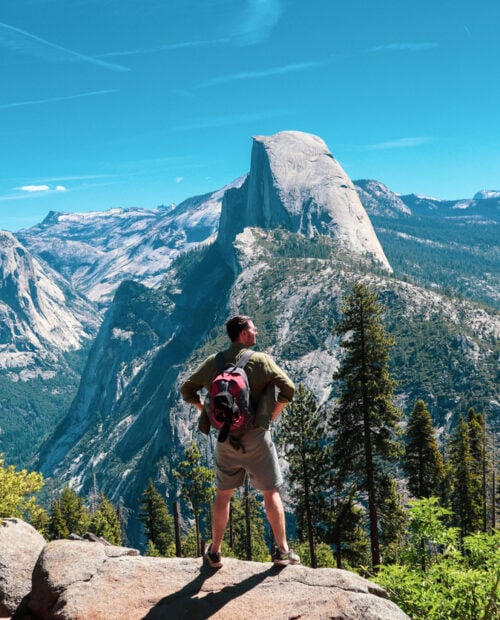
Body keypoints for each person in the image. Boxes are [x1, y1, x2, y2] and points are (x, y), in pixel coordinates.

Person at [180, 315, 300, 568]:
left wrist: (206, 411)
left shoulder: (214, 362)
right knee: (271, 492)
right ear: (243, 334)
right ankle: (282, 551)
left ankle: (214, 552)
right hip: (257, 438)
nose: (257, 331)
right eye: (253, 328)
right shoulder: (261, 361)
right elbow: (288, 389)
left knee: (223, 495)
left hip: (225, 438)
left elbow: (187, 389)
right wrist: (271, 416)